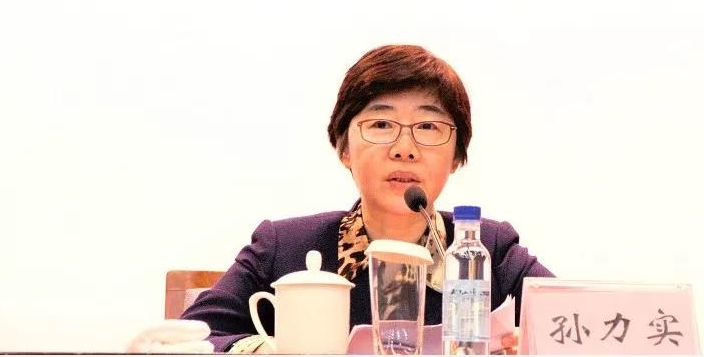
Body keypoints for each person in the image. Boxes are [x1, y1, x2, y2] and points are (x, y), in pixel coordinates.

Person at [181, 44, 554, 352]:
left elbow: (573, 326)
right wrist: (270, 350)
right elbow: (190, 340)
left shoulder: (486, 250)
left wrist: (535, 346)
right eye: (381, 124)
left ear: (456, 156)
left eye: (428, 126)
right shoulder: (283, 248)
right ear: (344, 149)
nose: (404, 148)